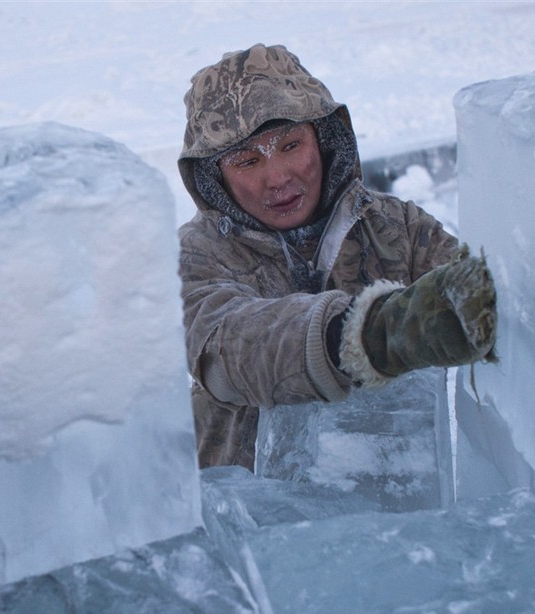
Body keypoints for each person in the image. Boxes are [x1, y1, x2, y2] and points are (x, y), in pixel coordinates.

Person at [177, 43, 497, 470]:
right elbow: (225, 353)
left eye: (291, 145)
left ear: (324, 141)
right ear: (216, 179)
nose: (278, 178)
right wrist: (369, 333)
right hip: (248, 517)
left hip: (395, 504)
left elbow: (487, 295)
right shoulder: (194, 255)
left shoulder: (396, 227)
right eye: (247, 161)